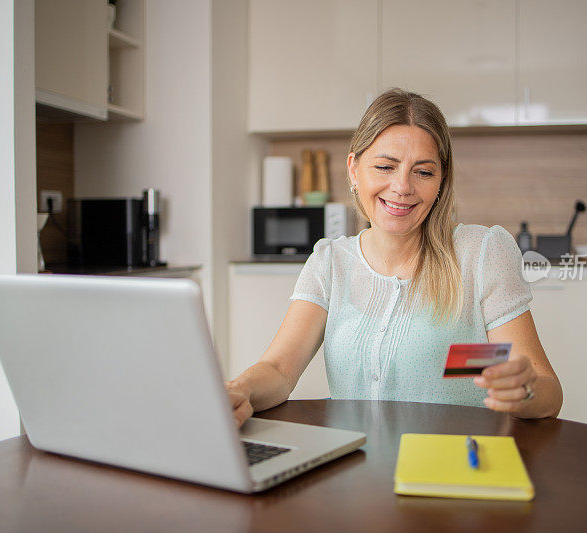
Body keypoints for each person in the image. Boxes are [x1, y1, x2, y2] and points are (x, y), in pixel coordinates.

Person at [227, 89, 562, 426]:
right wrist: (238, 389)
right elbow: (279, 370)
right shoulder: (330, 262)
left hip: (453, 465)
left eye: (424, 172)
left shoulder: (481, 252)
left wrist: (525, 389)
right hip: (357, 467)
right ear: (354, 170)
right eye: (385, 166)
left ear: (442, 182)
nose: (402, 186)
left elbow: (547, 389)